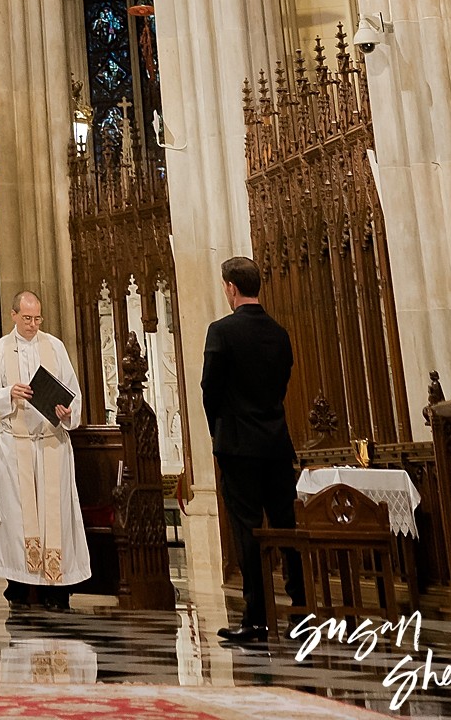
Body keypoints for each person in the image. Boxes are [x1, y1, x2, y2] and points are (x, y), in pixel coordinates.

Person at [202, 254, 300, 646]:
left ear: (230, 287)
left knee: (247, 532)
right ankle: (301, 610)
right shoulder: (278, 332)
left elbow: (211, 388)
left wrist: (218, 432)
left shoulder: (221, 331)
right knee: (285, 527)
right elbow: (282, 382)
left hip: (238, 444)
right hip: (276, 442)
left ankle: (256, 617)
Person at [0, 290, 90, 611]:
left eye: (37, 318)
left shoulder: (54, 347)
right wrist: (8, 393)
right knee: (18, 518)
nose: (32, 325)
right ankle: (19, 584)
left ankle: (56, 590)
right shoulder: (1, 349)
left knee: (55, 517)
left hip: (51, 444)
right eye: (27, 318)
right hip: (15, 447)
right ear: (13, 315)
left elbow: (74, 394)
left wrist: (68, 413)